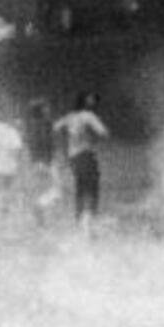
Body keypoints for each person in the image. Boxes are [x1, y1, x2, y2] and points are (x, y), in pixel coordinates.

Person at [54, 92, 110, 229]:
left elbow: (55, 128)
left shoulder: (69, 117)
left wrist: (65, 142)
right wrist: (93, 138)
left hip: (73, 156)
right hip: (85, 153)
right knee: (92, 185)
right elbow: (103, 132)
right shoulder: (88, 116)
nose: (93, 103)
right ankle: (90, 217)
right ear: (85, 103)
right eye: (90, 101)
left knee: (80, 185)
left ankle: (79, 218)